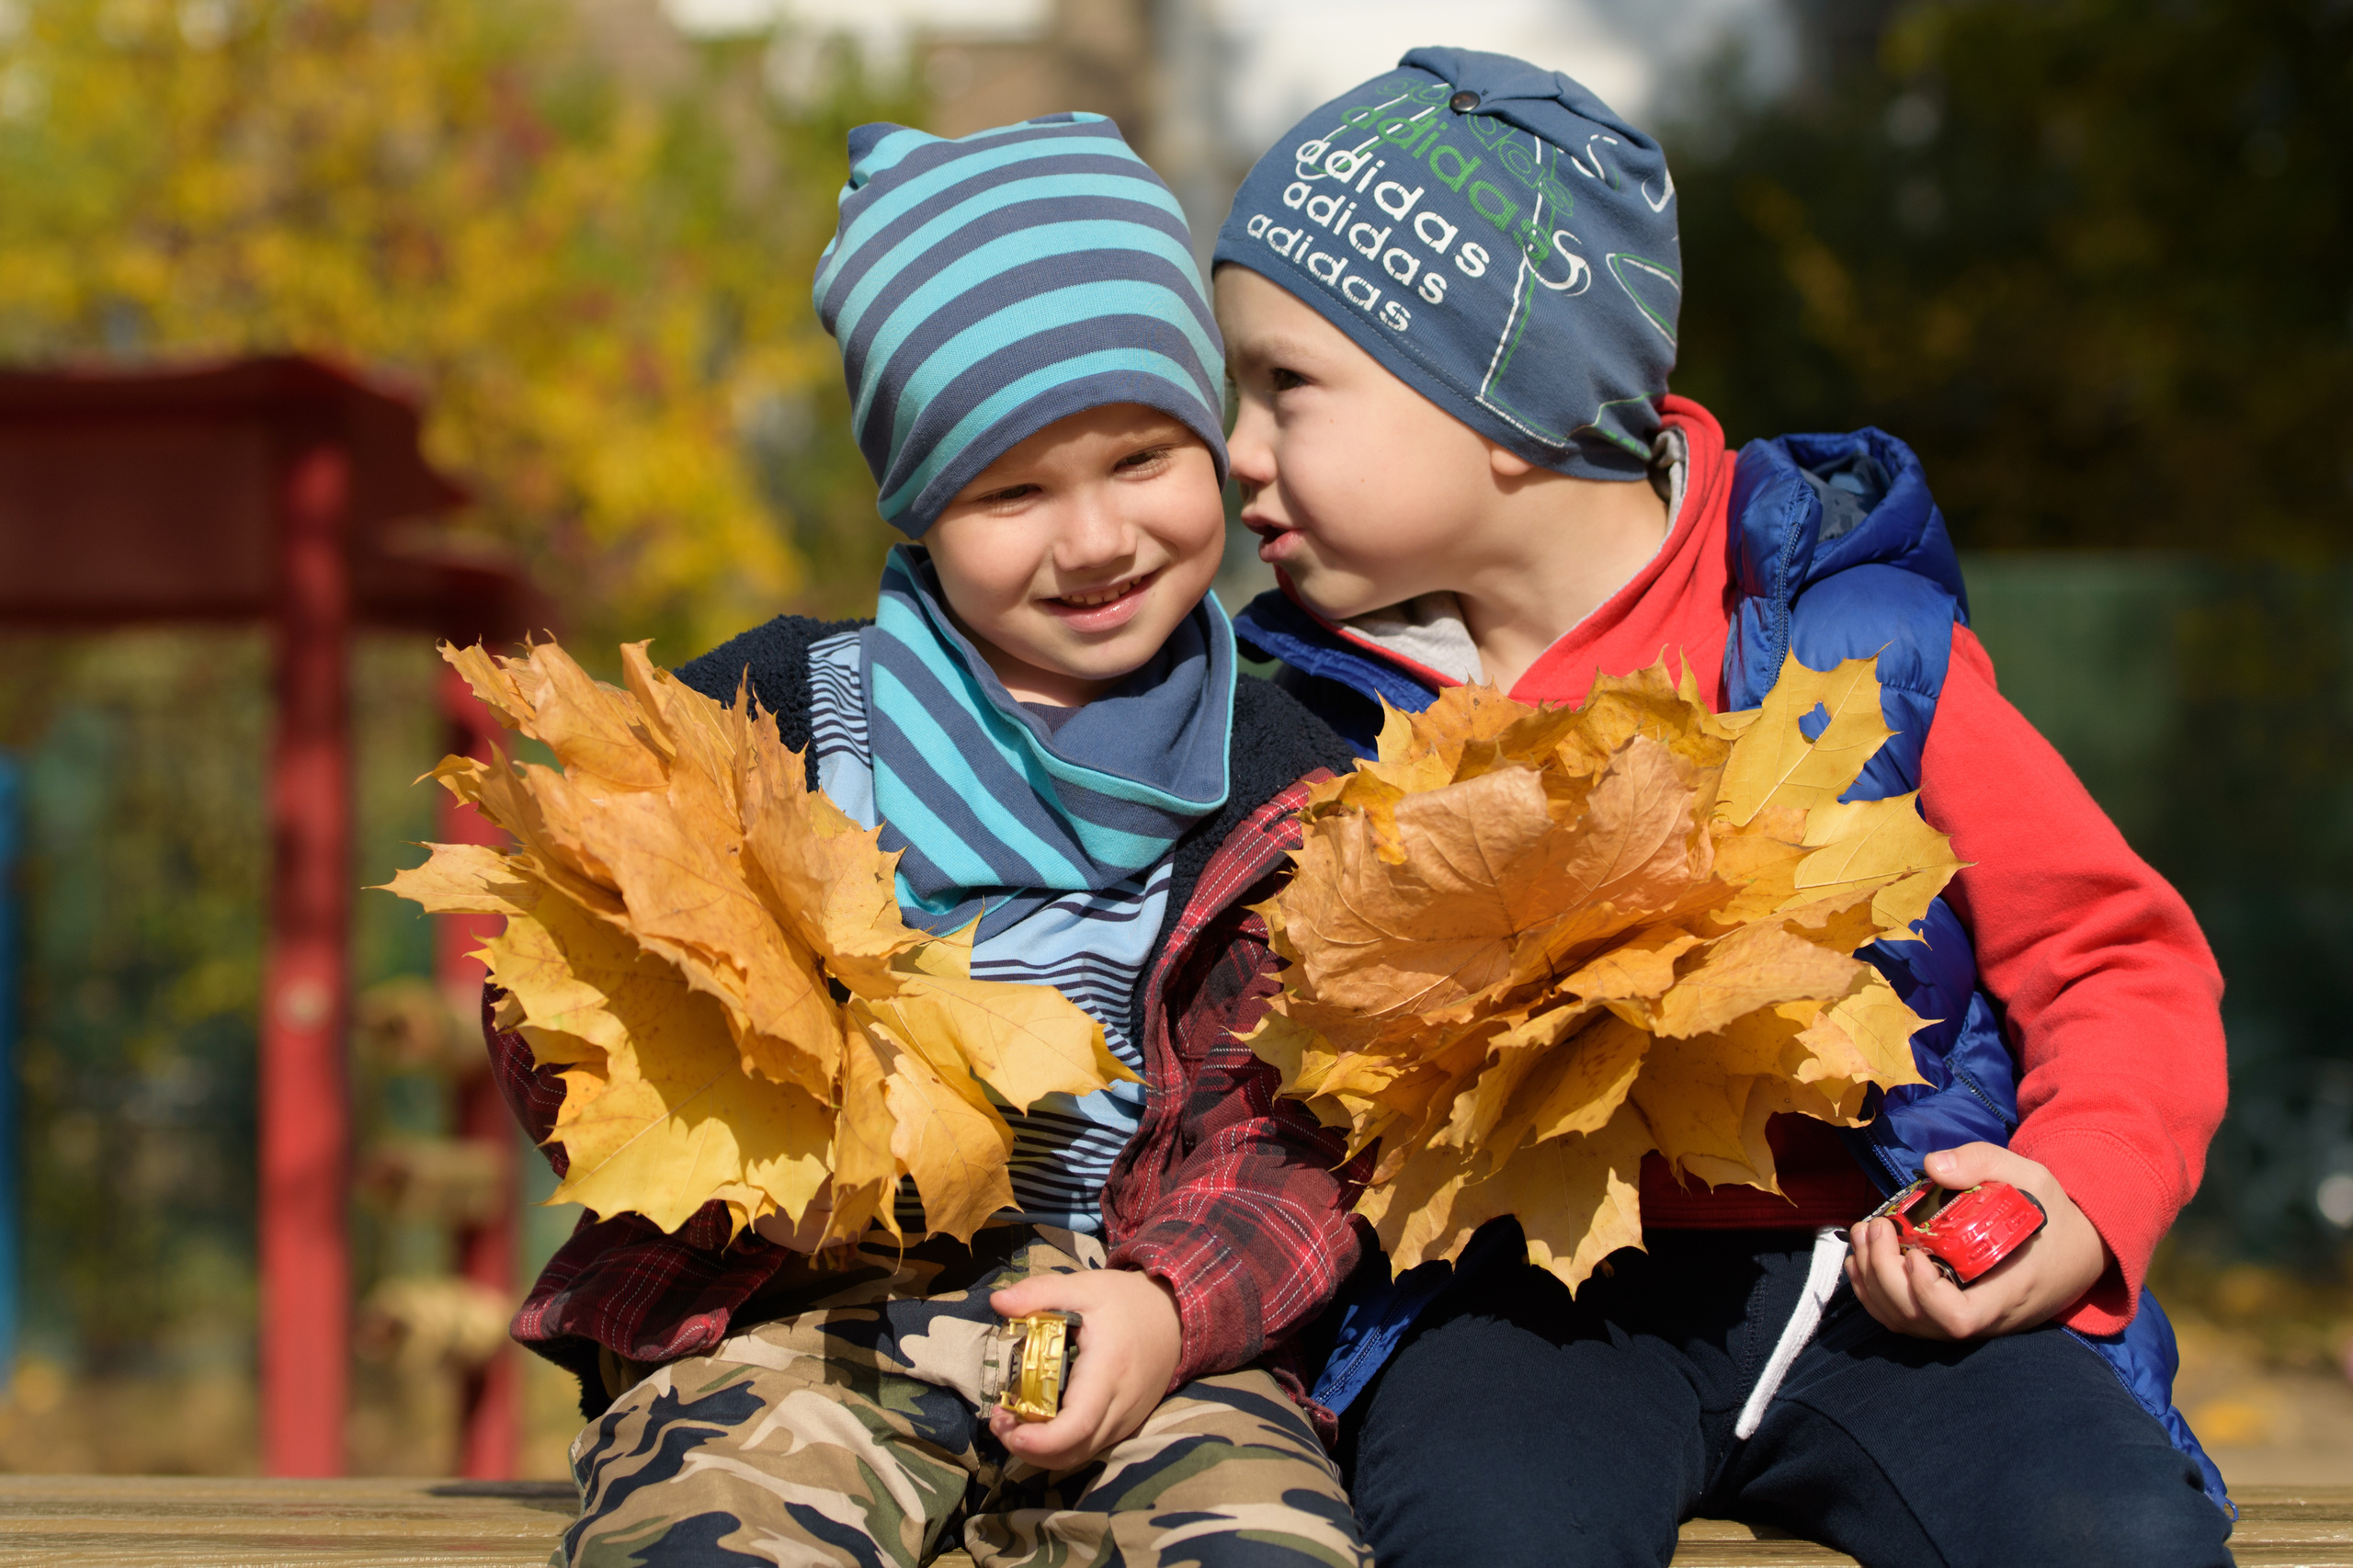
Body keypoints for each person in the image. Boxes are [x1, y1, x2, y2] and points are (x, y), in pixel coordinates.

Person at [1209, 48, 2234, 1568]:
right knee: (1490, 1536)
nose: (1236, 452)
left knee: (2115, 1534)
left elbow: (2116, 959)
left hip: (1880, 1283)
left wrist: (2070, 1201)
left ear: (1501, 402)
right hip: (1514, 1303)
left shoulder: (1848, 641)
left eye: (1289, 386)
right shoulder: (1300, 709)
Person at [484, 112, 1372, 1568]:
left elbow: (1302, 1130)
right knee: (714, 1528)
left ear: (1212, 443)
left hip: (1137, 1314)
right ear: (915, 506)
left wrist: (1174, 1309)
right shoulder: (773, 719)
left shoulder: (1289, 780)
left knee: (1260, 1542)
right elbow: (572, 991)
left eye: (1142, 458)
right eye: (1012, 491)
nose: (1093, 539)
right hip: (802, 1308)